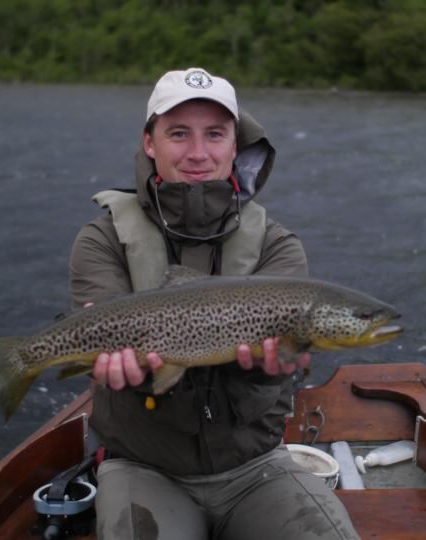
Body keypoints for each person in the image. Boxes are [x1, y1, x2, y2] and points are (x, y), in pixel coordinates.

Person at [68, 67, 359, 540]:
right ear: (149, 142)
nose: (198, 153)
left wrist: (261, 366)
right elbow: (98, 325)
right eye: (179, 133)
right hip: (143, 466)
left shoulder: (277, 245)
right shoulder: (102, 239)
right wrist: (122, 363)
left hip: (255, 466)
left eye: (215, 134)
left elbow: (279, 361)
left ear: (235, 144)